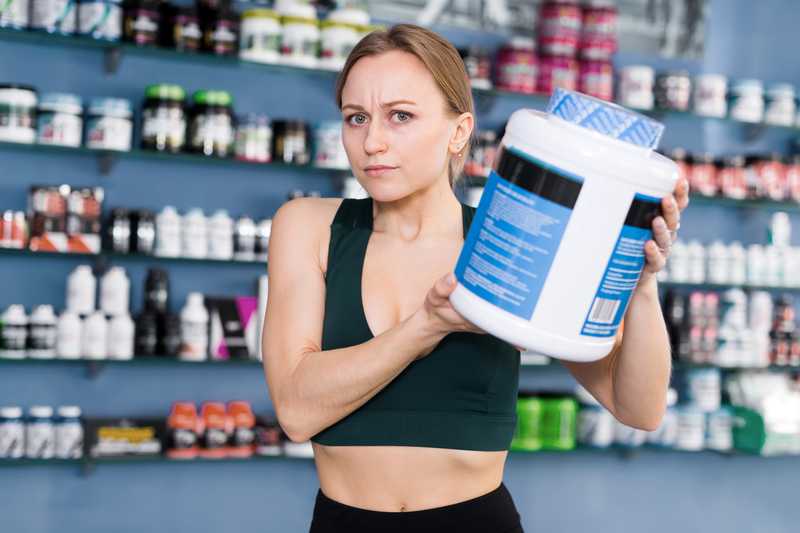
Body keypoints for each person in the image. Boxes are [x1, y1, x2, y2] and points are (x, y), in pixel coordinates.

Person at [262, 24, 689, 533]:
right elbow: (295, 410)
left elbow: (636, 407)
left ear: (459, 131)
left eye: (400, 116)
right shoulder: (309, 227)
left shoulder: (509, 244)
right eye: (356, 118)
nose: (372, 141)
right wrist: (427, 325)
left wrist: (639, 285)